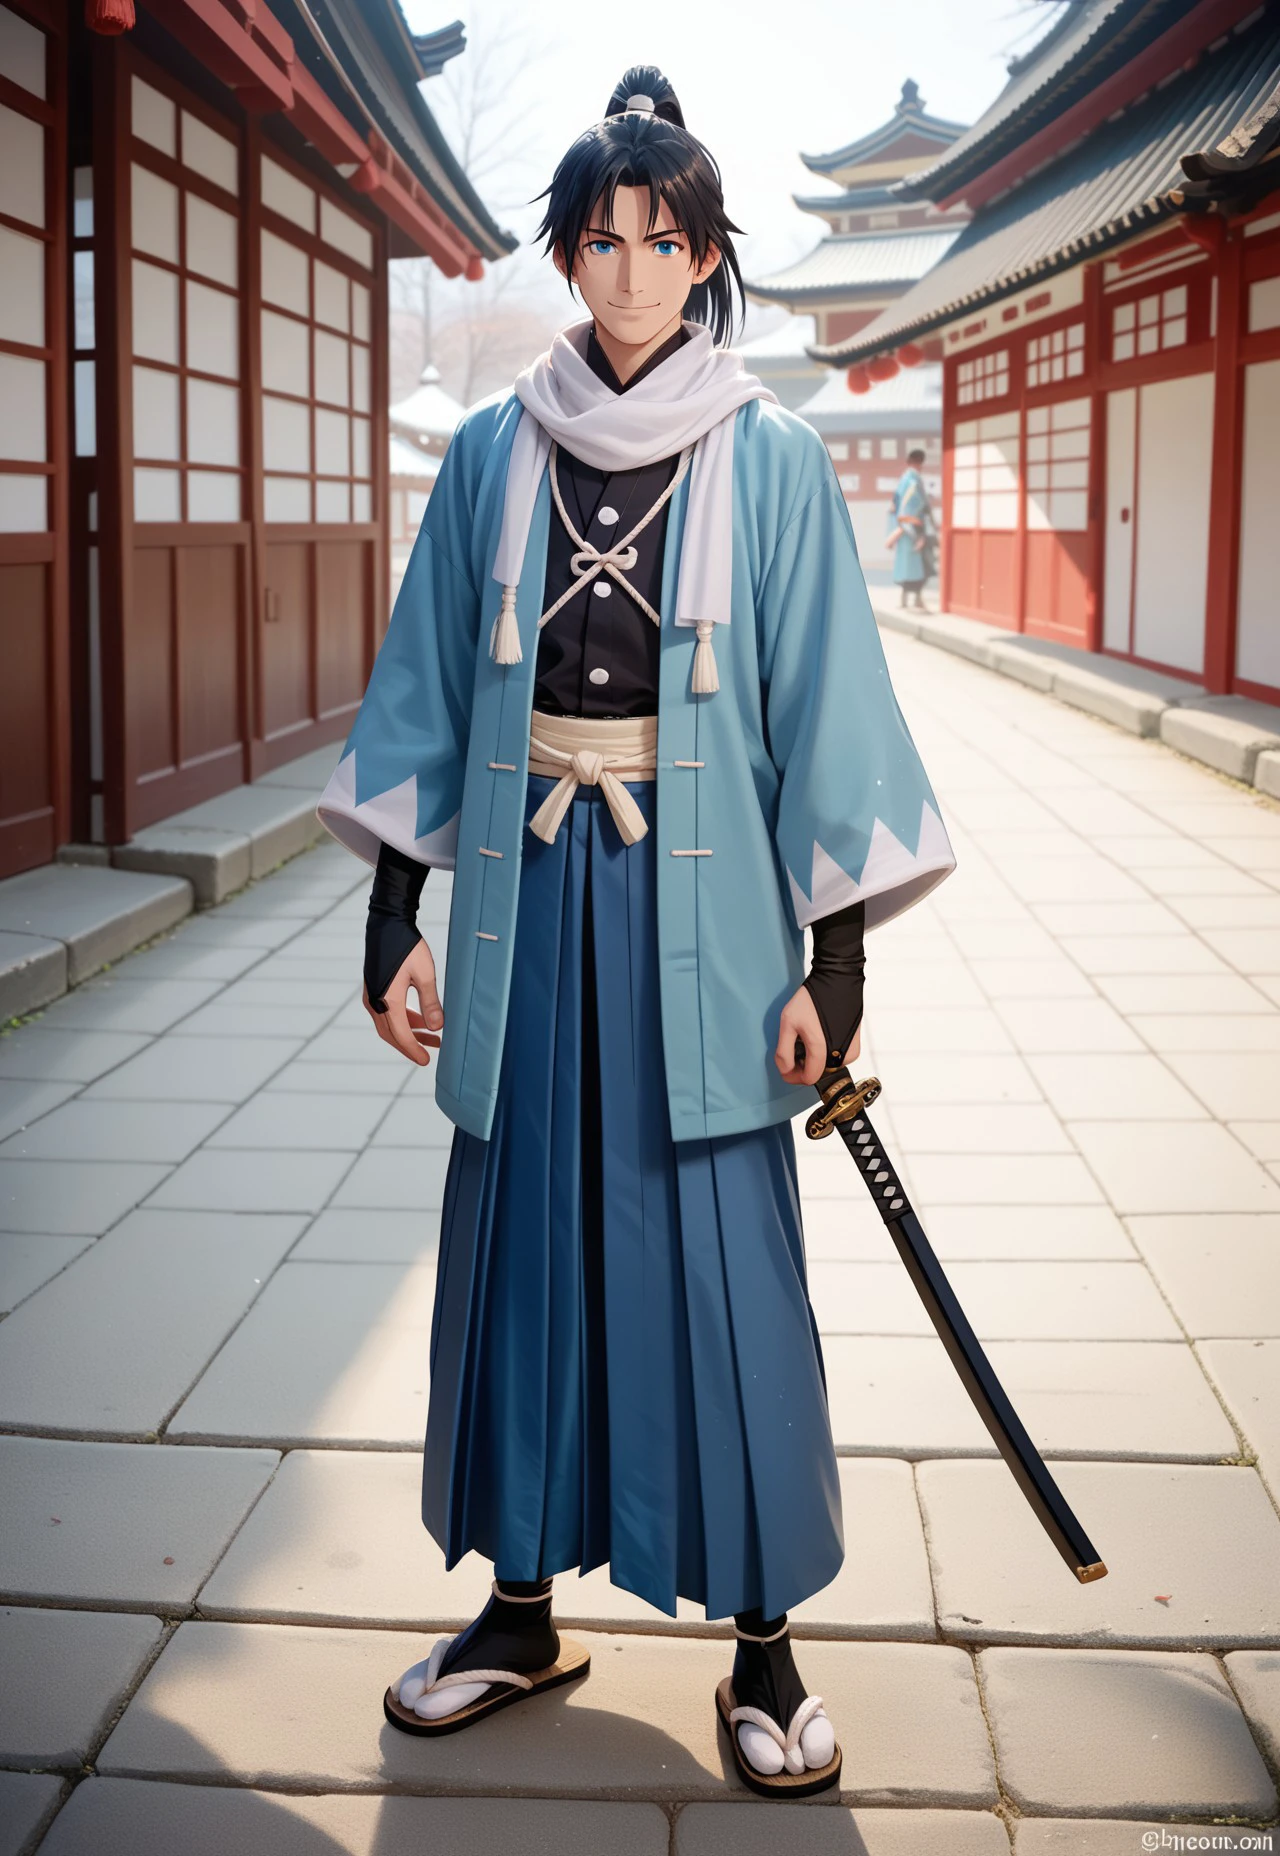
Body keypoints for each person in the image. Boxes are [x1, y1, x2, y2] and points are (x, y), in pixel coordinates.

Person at [317, 65, 954, 1802]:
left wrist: (836, 973)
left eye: (659, 243)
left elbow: (827, 725)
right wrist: (395, 917)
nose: (623, 276)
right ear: (566, 252)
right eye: (597, 240)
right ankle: (521, 1607)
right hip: (529, 907)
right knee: (524, 1247)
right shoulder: (487, 459)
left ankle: (763, 1643)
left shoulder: (775, 461)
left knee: (721, 1267)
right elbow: (432, 693)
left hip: (713, 922)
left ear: (707, 261)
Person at [887, 446, 936, 612]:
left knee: (907, 564)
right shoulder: (913, 481)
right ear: (919, 463)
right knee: (919, 564)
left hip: (903, 528)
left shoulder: (903, 480)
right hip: (913, 528)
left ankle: (907, 599)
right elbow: (914, 505)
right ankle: (915, 599)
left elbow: (895, 505)